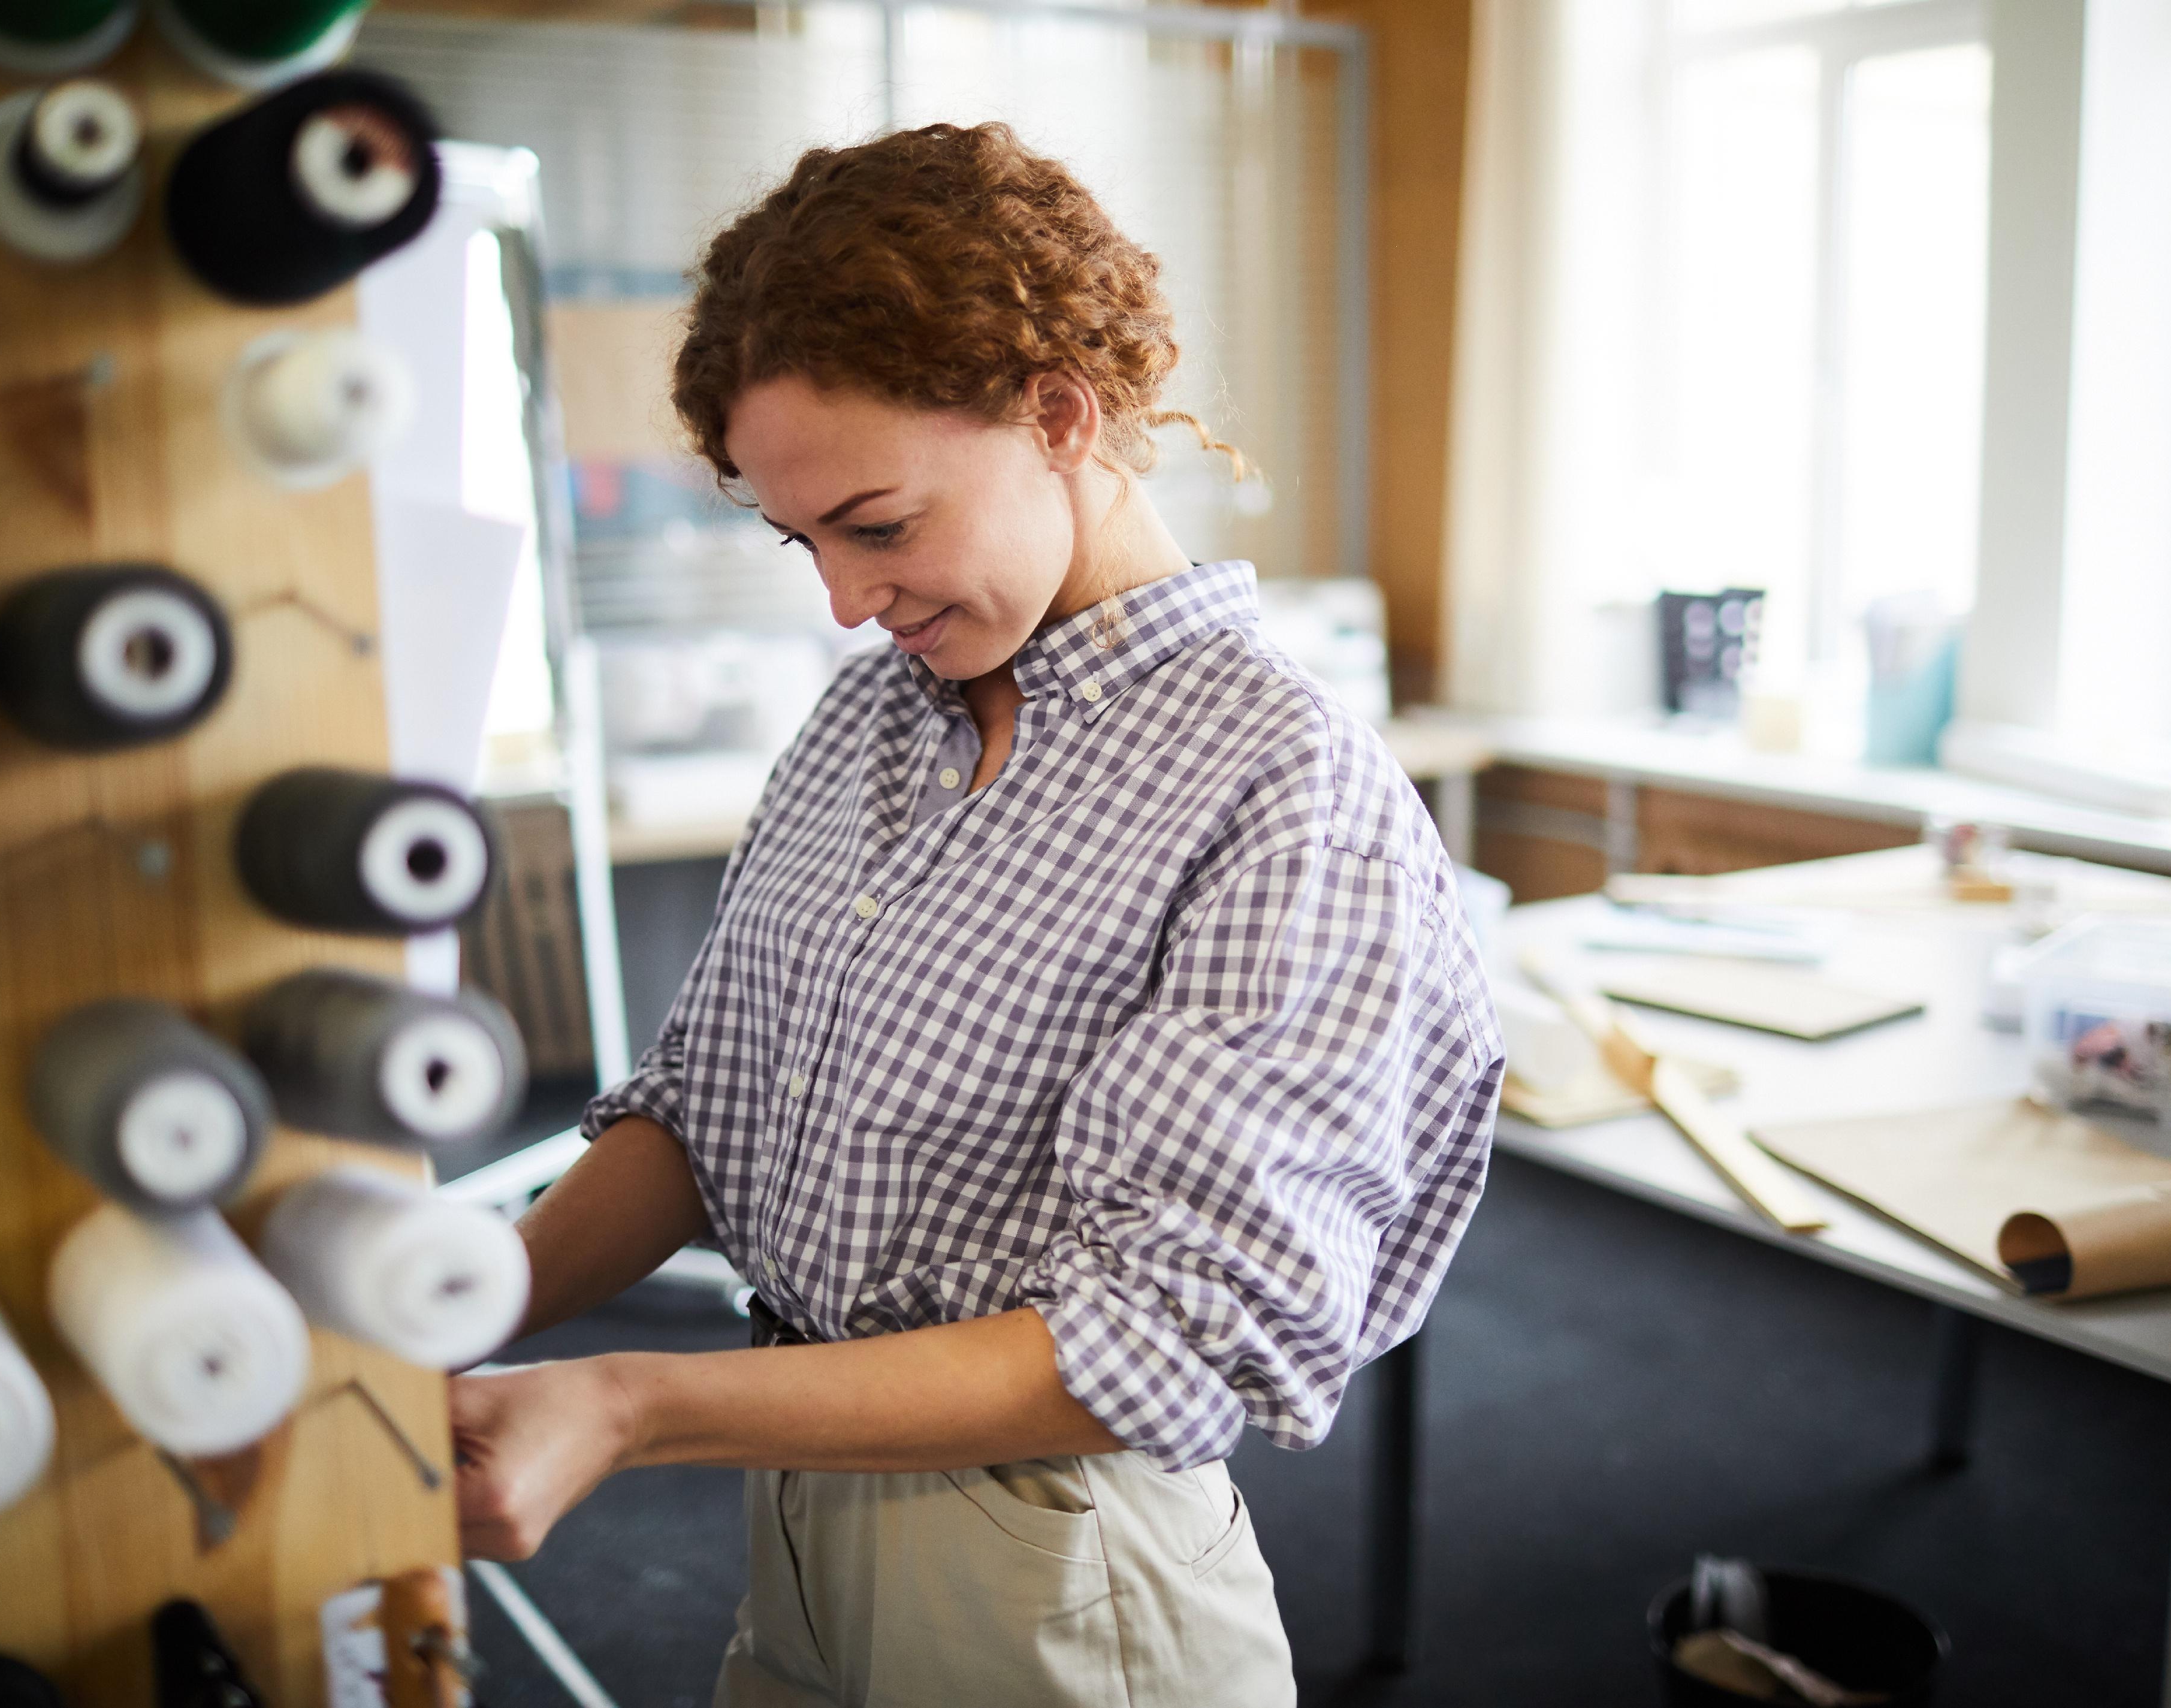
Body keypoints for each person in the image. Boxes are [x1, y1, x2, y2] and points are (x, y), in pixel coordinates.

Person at [449, 121, 1502, 1708]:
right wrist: (454, 1301)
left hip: (1060, 1557)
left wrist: (628, 1406)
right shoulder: (870, 725)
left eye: (879, 523)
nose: (846, 599)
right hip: (800, 1491)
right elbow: (705, 1114)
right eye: (802, 541)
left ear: (1061, 413)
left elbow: (1167, 1335)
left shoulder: (1275, 785)